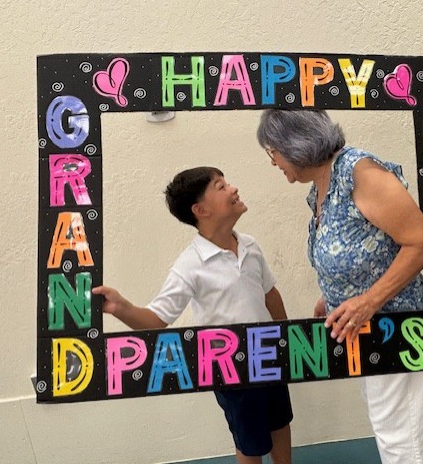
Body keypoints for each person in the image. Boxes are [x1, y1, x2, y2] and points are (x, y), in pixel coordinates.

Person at [257, 109, 423, 464]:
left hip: (395, 324)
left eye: (272, 151)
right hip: (364, 326)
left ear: (293, 144)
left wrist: (368, 301)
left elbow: (421, 242)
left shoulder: (361, 173)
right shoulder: (323, 185)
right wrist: (335, 294)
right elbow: (363, 248)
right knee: (389, 429)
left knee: (402, 438)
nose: (273, 162)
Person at [92, 167, 293, 464]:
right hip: (231, 369)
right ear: (201, 210)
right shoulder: (190, 265)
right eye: (221, 186)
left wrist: (289, 339)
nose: (233, 189)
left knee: (280, 423)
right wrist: (121, 308)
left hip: (270, 356)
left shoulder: (250, 245)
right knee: (249, 440)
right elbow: (156, 319)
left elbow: (269, 294)